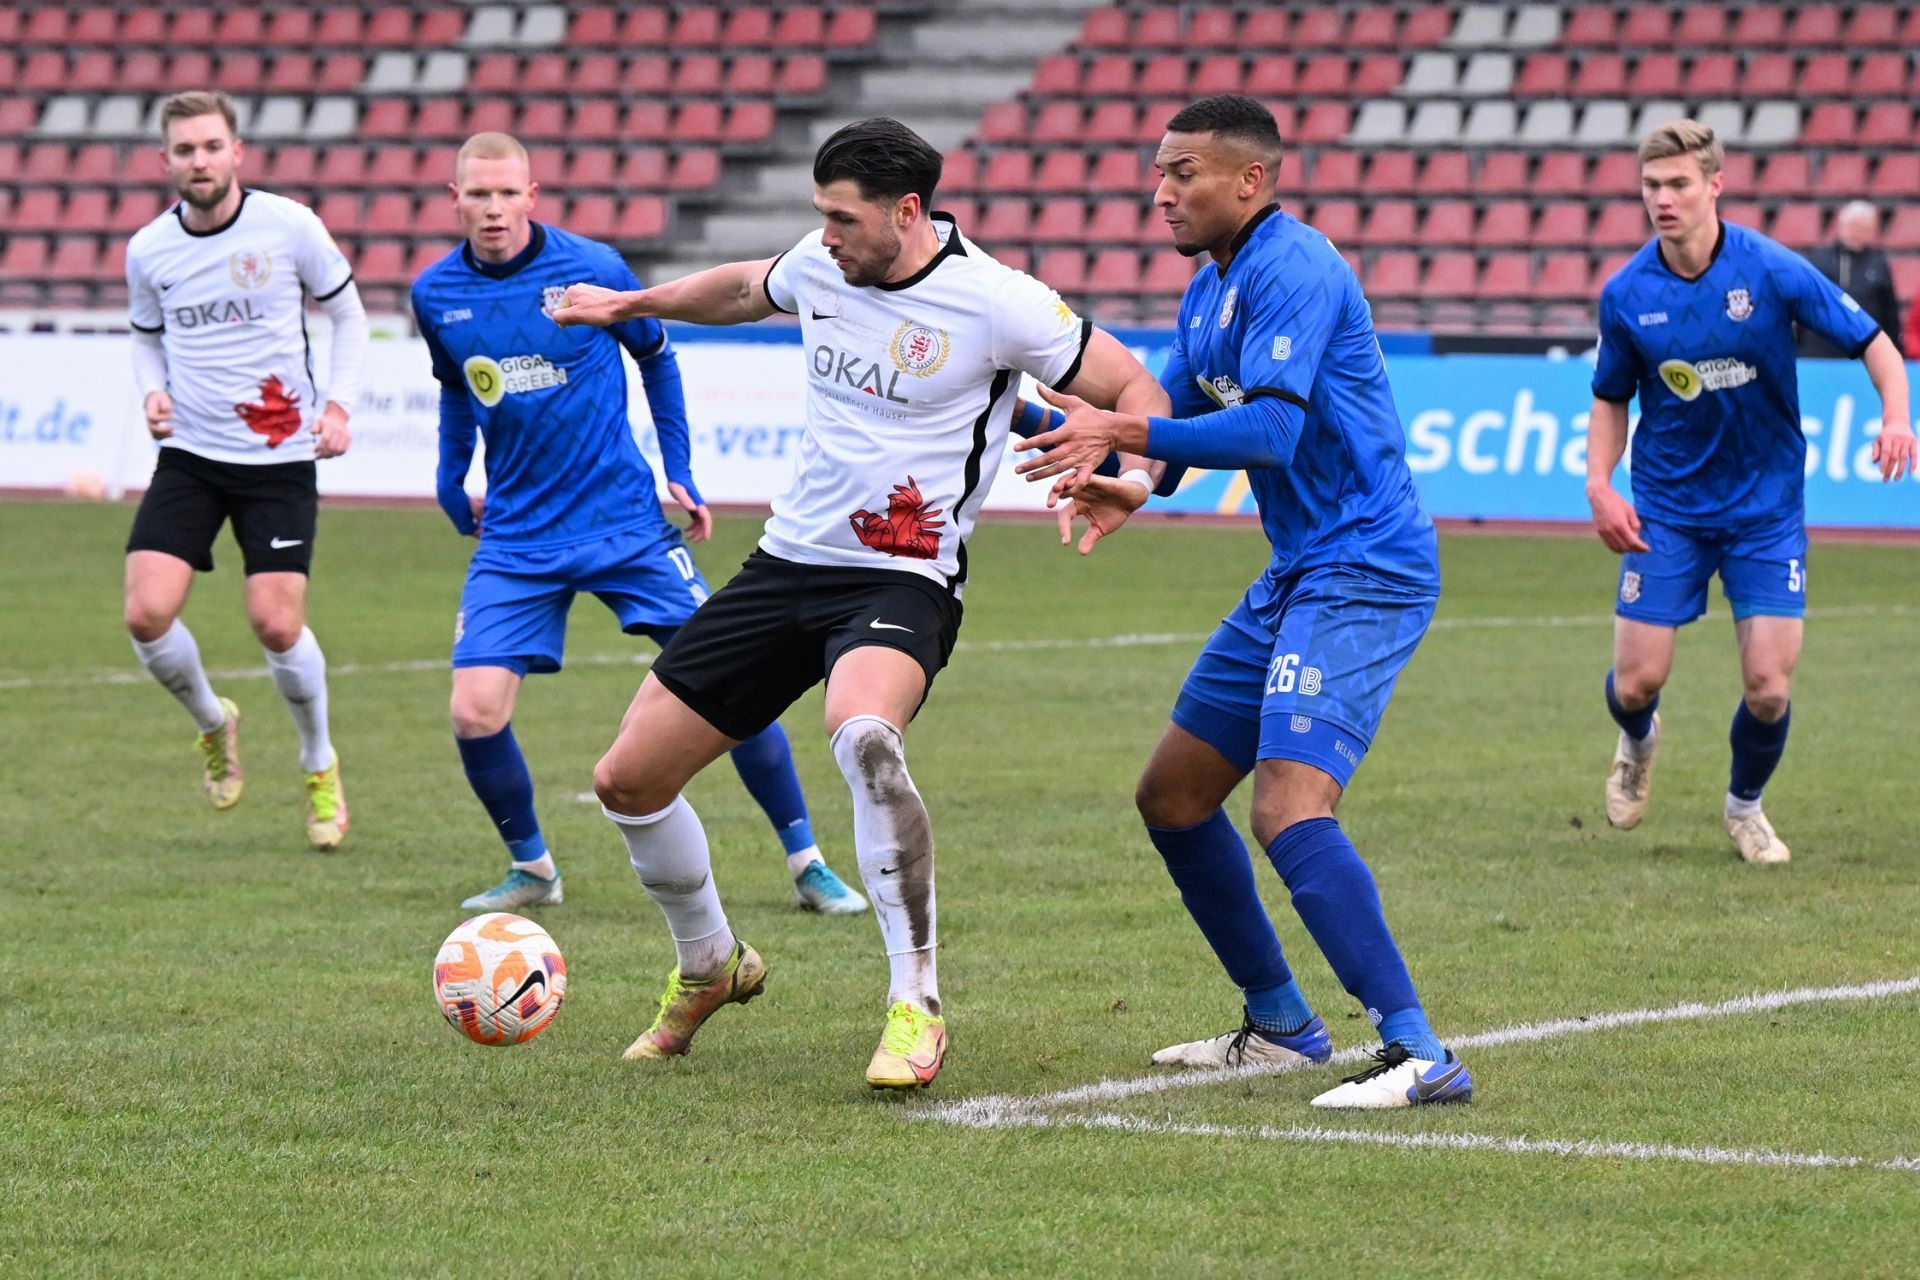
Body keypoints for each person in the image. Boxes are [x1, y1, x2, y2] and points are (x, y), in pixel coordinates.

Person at [549, 117, 1168, 1088]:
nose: (825, 235)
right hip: (786, 564)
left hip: (902, 575)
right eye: (821, 216)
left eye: (843, 218)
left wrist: (1134, 477)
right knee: (627, 781)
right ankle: (710, 963)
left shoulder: (998, 301)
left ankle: (916, 1003)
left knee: (865, 734)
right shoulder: (822, 261)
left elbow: (1135, 385)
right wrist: (631, 302)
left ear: (907, 211)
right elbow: (744, 288)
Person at [1013, 94, 1470, 1110]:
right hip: (1300, 565)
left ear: (1250, 180)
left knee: (1287, 805)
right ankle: (1283, 1027)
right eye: (1159, 173)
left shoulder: (1292, 267)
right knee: (1173, 797)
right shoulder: (1211, 285)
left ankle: (1419, 1053)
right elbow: (1173, 424)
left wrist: (1122, 436)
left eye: (1183, 173)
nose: (1161, 193)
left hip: (1365, 562)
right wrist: (1127, 475)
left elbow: (1268, 432)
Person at [410, 133, 865, 916]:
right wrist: (452, 478)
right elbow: (457, 388)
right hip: (517, 535)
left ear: (532, 195)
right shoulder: (435, 292)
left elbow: (656, 357)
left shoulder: (592, 268)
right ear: (455, 199)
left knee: (733, 683)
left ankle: (807, 862)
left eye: (508, 192)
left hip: (623, 522)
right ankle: (533, 868)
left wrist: (677, 468)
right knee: (473, 710)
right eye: (478, 194)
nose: (494, 208)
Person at [1587, 121, 1914, 863]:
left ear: (1714, 185)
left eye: (1678, 184)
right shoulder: (1627, 293)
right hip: (1668, 508)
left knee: (1768, 687)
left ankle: (1744, 808)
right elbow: (1609, 398)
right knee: (1635, 685)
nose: (1663, 199)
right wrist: (1598, 484)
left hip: (1765, 509)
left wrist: (1897, 418)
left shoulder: (1769, 269)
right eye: (1651, 185)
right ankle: (1637, 741)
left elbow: (1876, 344)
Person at [123, 90, 365, 851]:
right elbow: (145, 337)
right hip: (191, 455)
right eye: (184, 150)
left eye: (210, 146)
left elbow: (348, 314)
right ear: (166, 162)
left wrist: (339, 406)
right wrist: (152, 391)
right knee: (145, 613)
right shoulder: (148, 249)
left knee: (276, 622)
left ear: (236, 152)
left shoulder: (288, 226)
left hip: (278, 457)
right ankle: (212, 721)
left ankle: (318, 763)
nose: (199, 161)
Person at [1797, 201, 1904, 358]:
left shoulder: (1878, 264)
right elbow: (1802, 303)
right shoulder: (1818, 260)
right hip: (1820, 352)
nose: (1856, 233)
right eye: (1852, 226)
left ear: (1871, 231)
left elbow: (1889, 313)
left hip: (1865, 349)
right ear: (1841, 226)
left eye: (1862, 228)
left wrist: (1895, 351)